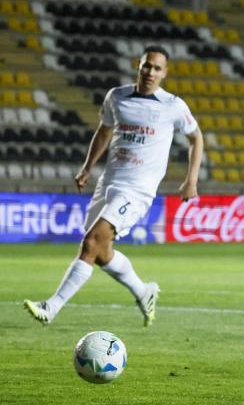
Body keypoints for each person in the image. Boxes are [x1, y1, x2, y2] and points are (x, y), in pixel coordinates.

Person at [24, 45, 203, 327]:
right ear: (138, 66)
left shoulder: (173, 106)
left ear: (165, 73)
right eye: (147, 65)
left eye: (157, 68)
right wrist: (87, 167)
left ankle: (52, 306)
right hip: (108, 183)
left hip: (137, 190)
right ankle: (144, 292)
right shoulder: (116, 97)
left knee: (90, 243)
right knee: (101, 252)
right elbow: (104, 131)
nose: (151, 72)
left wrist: (190, 180)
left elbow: (196, 139)